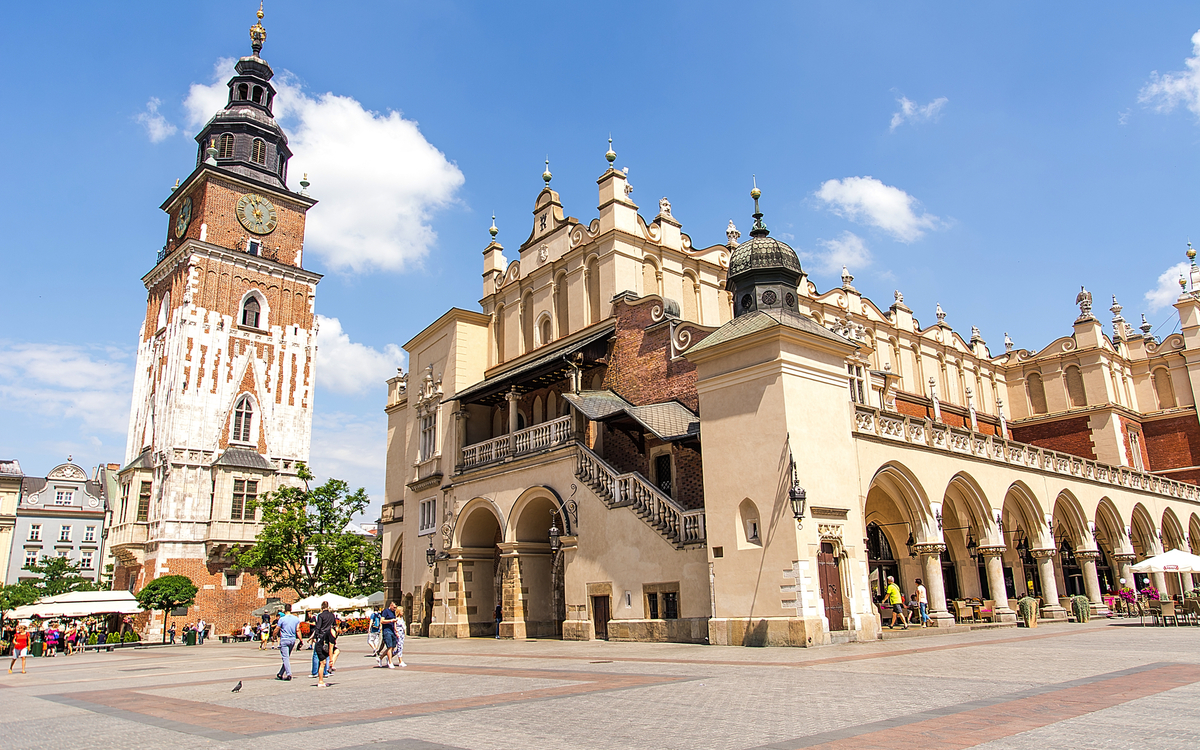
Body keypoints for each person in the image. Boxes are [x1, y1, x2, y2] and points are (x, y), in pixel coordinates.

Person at [311, 602, 337, 688]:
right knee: (328, 653)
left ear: (322, 607)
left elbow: (318, 627)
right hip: (329, 635)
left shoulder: (321, 616)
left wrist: (315, 636)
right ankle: (326, 671)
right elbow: (334, 625)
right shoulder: (332, 615)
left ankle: (315, 672)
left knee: (316, 655)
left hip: (322, 636)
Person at [275, 609, 300, 681]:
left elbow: (277, 628)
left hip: (284, 639)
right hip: (292, 639)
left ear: (285, 610)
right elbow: (298, 629)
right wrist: (301, 640)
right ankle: (280, 673)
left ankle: (289, 674)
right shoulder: (296, 619)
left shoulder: (282, 619)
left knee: (285, 658)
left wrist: (274, 636)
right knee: (286, 657)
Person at [378, 602, 397, 668]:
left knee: (393, 647)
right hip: (386, 631)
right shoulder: (386, 611)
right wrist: (391, 620)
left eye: (396, 607)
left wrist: (396, 631)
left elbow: (395, 622)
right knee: (389, 647)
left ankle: (381, 657)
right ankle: (390, 662)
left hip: (392, 631)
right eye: (394, 607)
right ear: (390, 605)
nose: (395, 609)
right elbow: (382, 621)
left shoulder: (394, 612)